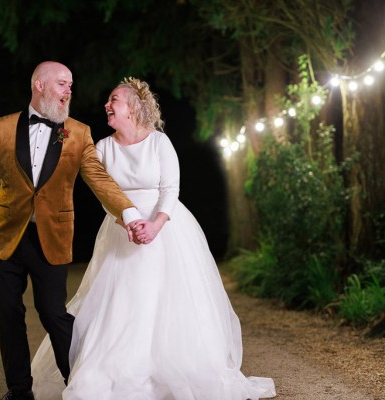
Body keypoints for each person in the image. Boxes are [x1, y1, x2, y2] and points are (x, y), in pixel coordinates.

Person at [31, 77, 277, 399]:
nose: (107, 105)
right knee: (122, 301)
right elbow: (103, 192)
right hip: (121, 230)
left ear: (133, 108)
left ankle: (179, 366)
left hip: (166, 227)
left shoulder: (159, 142)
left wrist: (156, 224)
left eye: (114, 100)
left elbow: (170, 189)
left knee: (169, 300)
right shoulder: (103, 148)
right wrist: (127, 223)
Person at [0, 62, 143, 400]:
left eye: (70, 85)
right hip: (4, 237)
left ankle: (79, 385)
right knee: (6, 313)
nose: (69, 91)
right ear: (39, 85)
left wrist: (128, 212)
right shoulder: (2, 127)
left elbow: (99, 179)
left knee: (54, 313)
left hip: (51, 237)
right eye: (62, 84)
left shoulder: (78, 133)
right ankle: (19, 390)